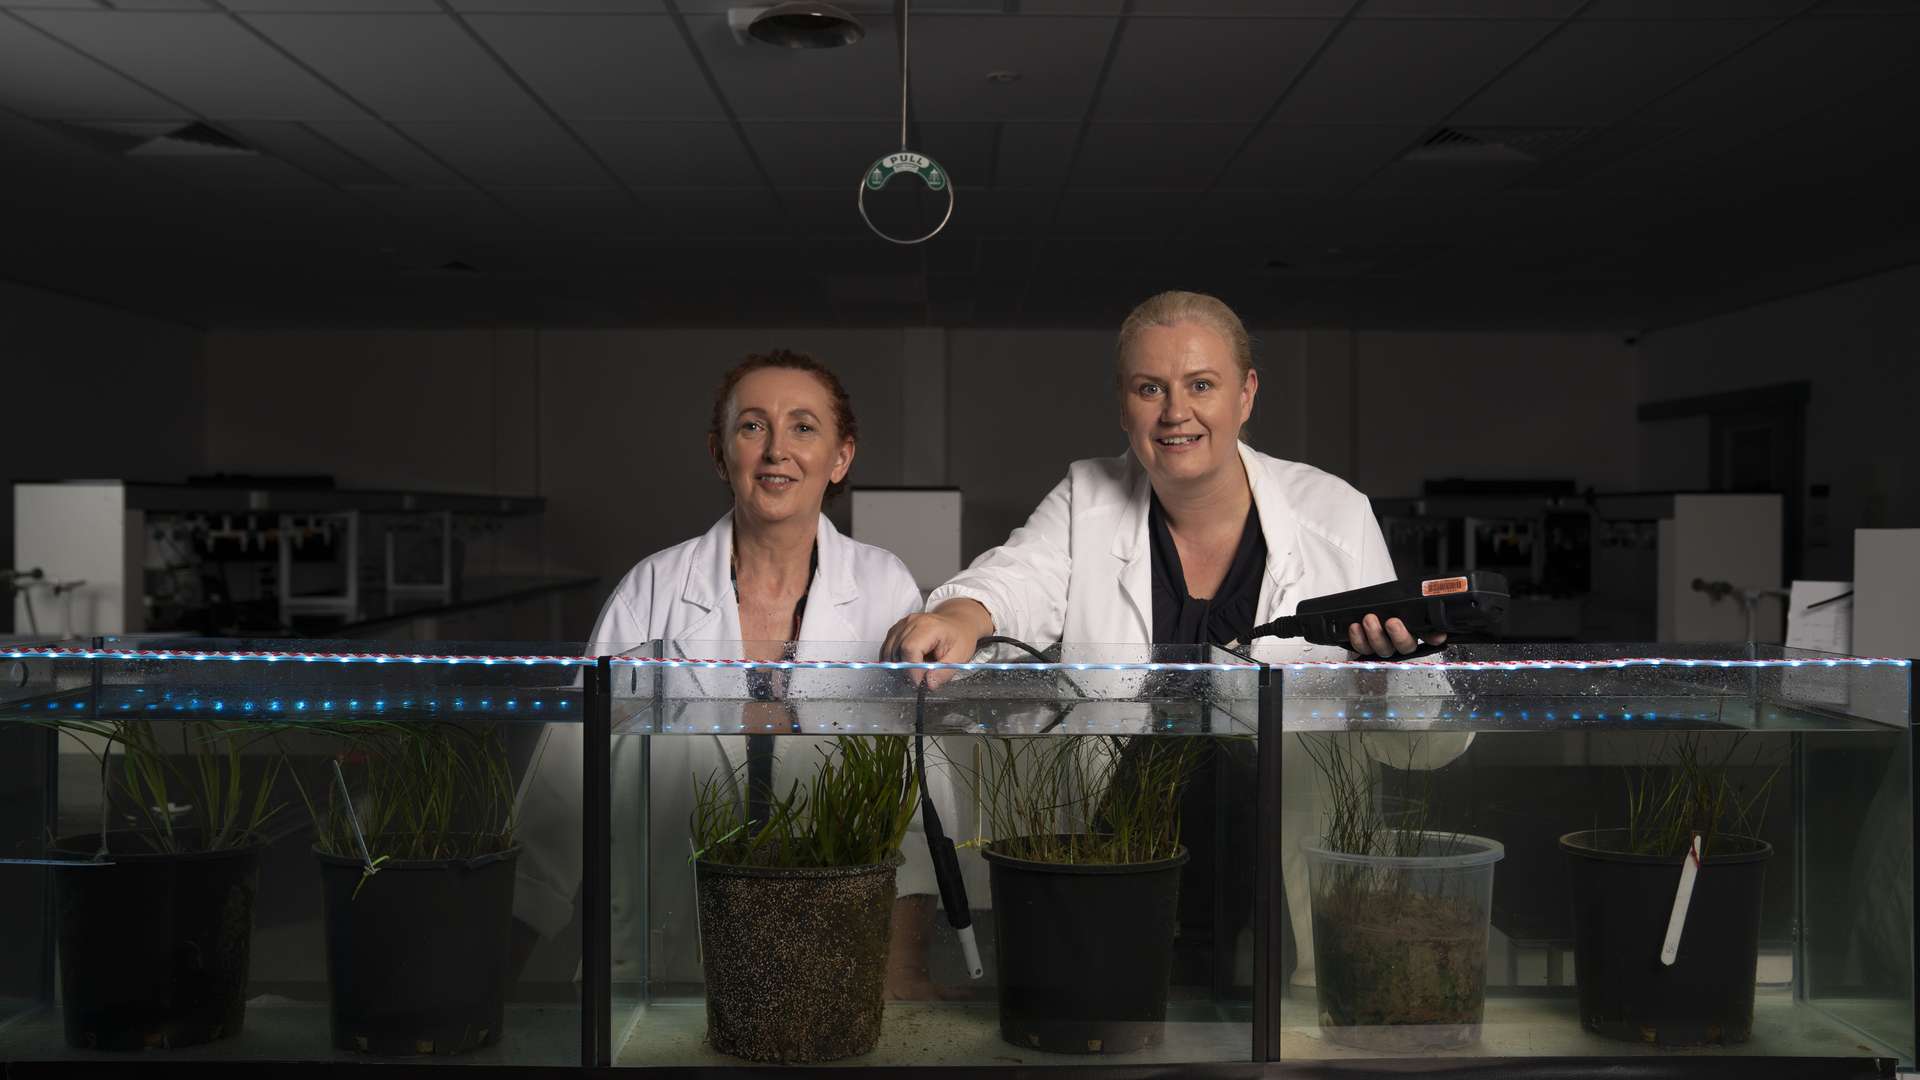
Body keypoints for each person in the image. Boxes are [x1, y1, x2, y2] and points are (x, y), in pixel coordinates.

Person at [883, 289, 1460, 989]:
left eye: (1201, 385)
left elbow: (1417, 741)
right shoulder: (1087, 497)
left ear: (1246, 394)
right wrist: (961, 617)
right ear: (1123, 402)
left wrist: (1388, 673)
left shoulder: (1334, 517)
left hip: (1274, 888)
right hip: (1122, 865)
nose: (1174, 412)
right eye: (1149, 387)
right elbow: (1015, 581)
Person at [512, 349, 950, 998]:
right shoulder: (654, 587)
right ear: (720, 454)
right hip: (668, 953)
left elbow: (919, 789)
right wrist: (505, 946)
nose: (777, 449)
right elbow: (568, 780)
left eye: (804, 427)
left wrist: (903, 962)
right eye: (752, 426)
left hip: (835, 943)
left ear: (840, 458)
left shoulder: (884, 587)